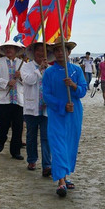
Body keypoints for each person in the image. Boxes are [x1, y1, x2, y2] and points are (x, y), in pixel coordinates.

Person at [42, 37, 87, 197]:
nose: (60, 53)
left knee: (69, 145)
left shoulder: (76, 70)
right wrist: (62, 105)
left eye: (63, 50)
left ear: (69, 52)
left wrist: (74, 86)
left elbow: (83, 90)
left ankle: (65, 175)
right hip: (56, 114)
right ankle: (61, 182)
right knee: (58, 145)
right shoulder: (49, 72)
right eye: (57, 50)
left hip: (73, 114)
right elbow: (46, 95)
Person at [21, 41, 53, 175]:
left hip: (46, 108)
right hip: (31, 107)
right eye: (38, 50)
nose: (40, 53)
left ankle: (47, 164)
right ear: (33, 52)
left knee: (46, 137)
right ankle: (32, 160)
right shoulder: (27, 66)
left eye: (43, 51)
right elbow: (29, 80)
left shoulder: (50, 69)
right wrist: (39, 69)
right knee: (31, 136)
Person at [0, 40, 26, 161]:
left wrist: (20, 76)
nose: (9, 50)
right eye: (7, 48)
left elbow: (28, 81)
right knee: (3, 125)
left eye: (11, 48)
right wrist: (6, 83)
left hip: (18, 100)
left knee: (18, 127)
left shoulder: (22, 64)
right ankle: (1, 139)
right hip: (4, 100)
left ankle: (15, 151)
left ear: (16, 51)